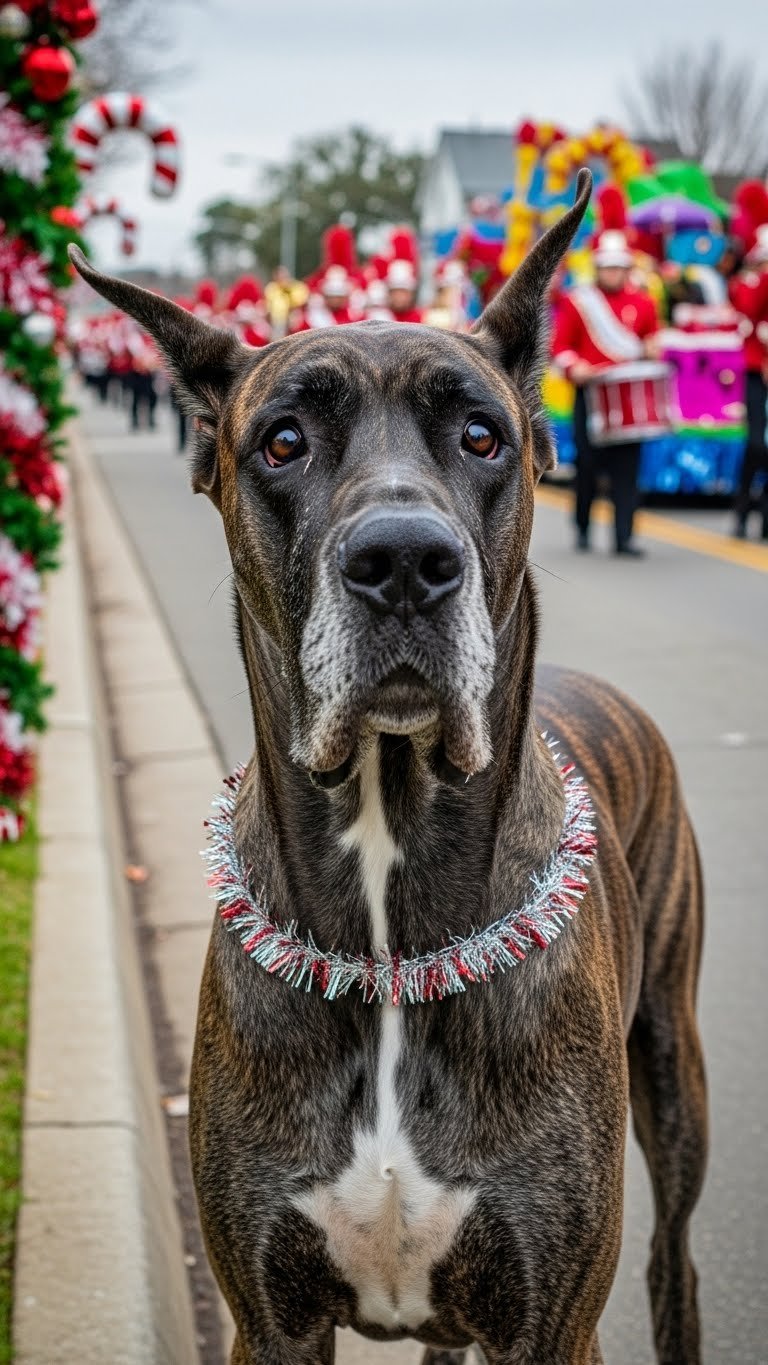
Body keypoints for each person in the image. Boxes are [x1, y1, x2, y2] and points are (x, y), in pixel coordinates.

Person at [552, 229, 660, 557]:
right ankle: (583, 525)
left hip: (627, 398)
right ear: (598, 269)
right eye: (607, 267)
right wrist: (576, 368)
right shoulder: (579, 302)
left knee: (627, 468)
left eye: (618, 268)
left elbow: (652, 340)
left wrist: (653, 348)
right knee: (588, 465)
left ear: (627, 269)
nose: (612, 273)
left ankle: (623, 536)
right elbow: (560, 347)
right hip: (591, 395)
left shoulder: (643, 303)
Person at [729, 226, 768, 540]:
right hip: (757, 373)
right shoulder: (750, 284)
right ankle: (742, 508)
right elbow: (748, 310)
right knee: (756, 444)